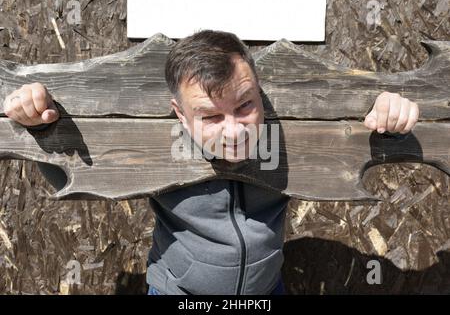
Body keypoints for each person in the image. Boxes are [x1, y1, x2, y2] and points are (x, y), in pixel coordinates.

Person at [2, 30, 419, 295]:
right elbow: (71, 173)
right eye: (211, 116)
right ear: (179, 115)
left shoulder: (280, 137)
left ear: (261, 94)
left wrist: (389, 119)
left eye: (245, 106)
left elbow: (365, 135)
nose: (235, 130)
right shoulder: (156, 146)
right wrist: (42, 130)